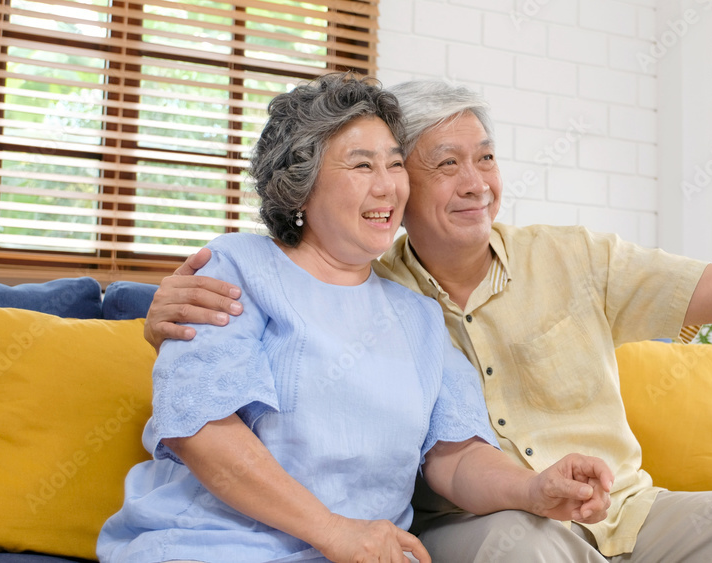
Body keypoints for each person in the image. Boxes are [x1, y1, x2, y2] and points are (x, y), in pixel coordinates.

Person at [144, 74, 712, 562]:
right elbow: (204, 416)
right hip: (456, 536)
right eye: (439, 164)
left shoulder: (426, 305)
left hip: (612, 515)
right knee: (520, 541)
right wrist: (161, 320)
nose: (473, 184)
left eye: (487, 158)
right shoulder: (255, 271)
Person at [97, 73, 616, 563]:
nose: (388, 187)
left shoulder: (418, 316)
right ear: (300, 185)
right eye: (363, 165)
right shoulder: (237, 268)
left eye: (395, 165)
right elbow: (202, 429)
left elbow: (456, 459)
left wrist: (533, 488)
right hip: (216, 544)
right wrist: (335, 531)